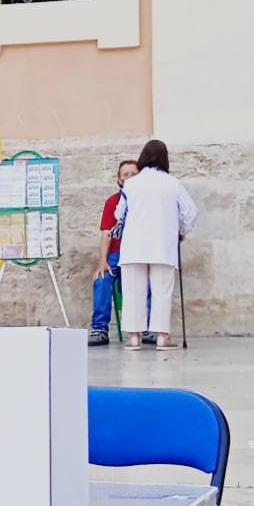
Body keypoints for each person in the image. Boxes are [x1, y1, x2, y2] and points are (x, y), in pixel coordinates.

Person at [114, 139, 198, 351]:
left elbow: (119, 213)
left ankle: (134, 337)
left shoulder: (131, 184)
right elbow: (190, 212)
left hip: (134, 246)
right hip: (162, 244)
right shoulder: (172, 183)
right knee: (162, 290)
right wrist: (181, 231)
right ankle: (162, 336)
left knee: (133, 291)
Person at [88, 159, 140, 346]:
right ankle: (100, 328)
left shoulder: (145, 201)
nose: (129, 178)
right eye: (125, 175)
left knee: (147, 281)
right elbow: (106, 234)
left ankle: (147, 328)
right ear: (119, 180)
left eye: (133, 174)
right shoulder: (113, 202)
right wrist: (102, 261)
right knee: (101, 280)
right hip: (116, 254)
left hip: (137, 253)